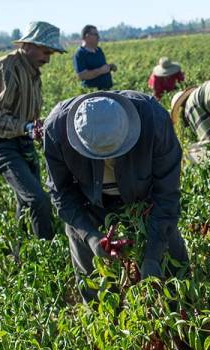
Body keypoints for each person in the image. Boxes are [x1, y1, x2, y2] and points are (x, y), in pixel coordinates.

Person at [43, 90, 188, 301]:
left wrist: (153, 254)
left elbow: (166, 193)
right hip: (89, 205)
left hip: (144, 201)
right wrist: (91, 236)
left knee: (174, 270)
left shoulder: (154, 120)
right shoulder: (56, 128)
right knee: (93, 283)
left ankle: (179, 310)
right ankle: (101, 321)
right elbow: (62, 193)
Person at [0, 21, 66, 240]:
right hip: (2, 142)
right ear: (28, 44)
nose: (48, 58)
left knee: (26, 199)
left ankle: (18, 254)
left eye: (51, 53)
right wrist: (27, 127)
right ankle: (46, 248)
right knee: (37, 199)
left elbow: (27, 115)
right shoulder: (7, 67)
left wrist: (36, 127)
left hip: (23, 139)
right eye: (45, 51)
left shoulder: (33, 72)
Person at [73, 25, 116, 90]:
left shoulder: (99, 50)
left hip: (106, 90)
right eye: (95, 34)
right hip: (93, 94)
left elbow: (102, 67)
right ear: (87, 36)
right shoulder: (80, 53)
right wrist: (101, 70)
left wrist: (109, 67)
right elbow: (81, 75)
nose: (98, 37)